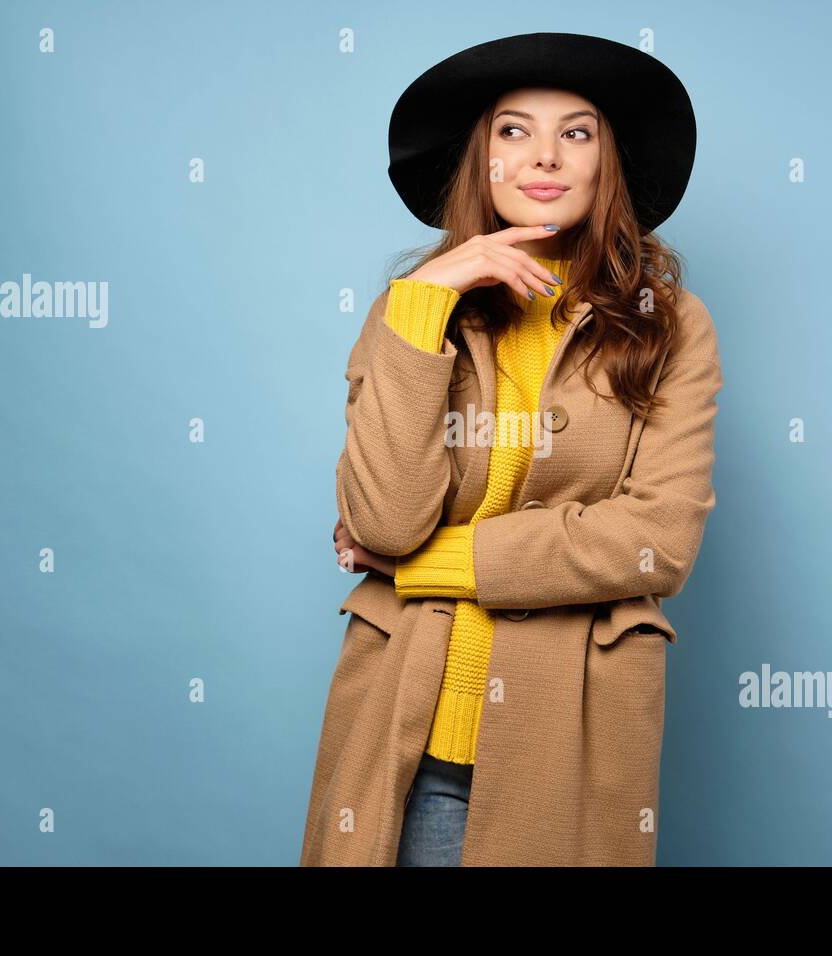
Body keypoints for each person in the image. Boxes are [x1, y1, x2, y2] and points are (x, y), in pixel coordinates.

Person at [303, 32, 723, 867]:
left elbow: (659, 540)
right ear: (480, 160)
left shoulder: (671, 325)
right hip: (410, 737)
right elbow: (384, 524)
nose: (545, 156)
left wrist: (422, 567)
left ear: (609, 162)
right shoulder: (413, 311)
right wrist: (423, 306)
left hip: (565, 743)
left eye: (576, 132)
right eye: (512, 130)